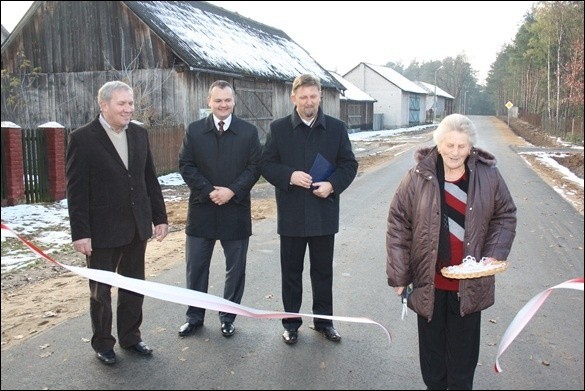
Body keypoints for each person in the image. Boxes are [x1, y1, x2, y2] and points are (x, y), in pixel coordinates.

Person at [386, 113, 517, 389]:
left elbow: (505, 214)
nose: (455, 152)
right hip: (429, 283)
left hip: (469, 285)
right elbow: (398, 223)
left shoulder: (488, 175)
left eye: (461, 146)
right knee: (433, 362)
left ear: (471, 147)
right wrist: (400, 276)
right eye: (449, 145)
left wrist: (493, 254)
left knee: (462, 362)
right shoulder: (418, 176)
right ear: (438, 144)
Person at [66, 80, 169, 366]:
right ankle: (103, 342)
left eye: (131, 103)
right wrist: (81, 233)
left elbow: (149, 178)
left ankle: (131, 337)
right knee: (101, 291)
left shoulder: (138, 133)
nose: (128, 109)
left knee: (134, 285)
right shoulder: (82, 138)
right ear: (104, 105)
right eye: (121, 103)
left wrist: (159, 217)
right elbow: (76, 191)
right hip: (101, 232)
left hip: (137, 226)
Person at [259, 74, 358, 345]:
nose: (308, 102)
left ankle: (324, 323)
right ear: (294, 98)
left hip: (323, 214)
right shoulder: (279, 129)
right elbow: (266, 164)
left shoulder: (336, 129)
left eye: (313, 96)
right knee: (291, 273)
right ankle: (291, 323)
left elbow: (349, 165)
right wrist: (289, 176)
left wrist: (332, 185)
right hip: (291, 215)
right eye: (303, 97)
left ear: (320, 96)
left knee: (323, 272)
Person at [177, 80, 261, 338]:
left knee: (235, 270)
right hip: (202, 210)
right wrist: (209, 191)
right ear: (209, 101)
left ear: (233, 101)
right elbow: (186, 165)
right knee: (197, 268)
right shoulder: (194, 131)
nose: (223, 105)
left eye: (227, 100)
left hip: (235, 211)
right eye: (218, 100)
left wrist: (232, 191)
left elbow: (255, 167)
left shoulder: (248, 132)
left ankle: (228, 317)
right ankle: (195, 317)